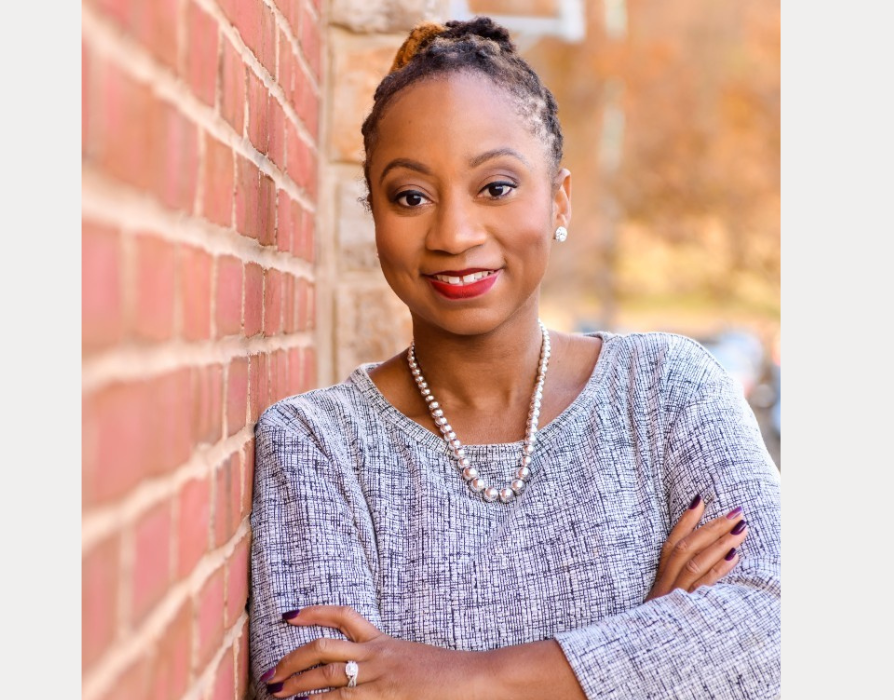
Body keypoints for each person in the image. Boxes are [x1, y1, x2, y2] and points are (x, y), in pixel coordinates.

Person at [248, 17, 780, 699]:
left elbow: (775, 625)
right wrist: (652, 645)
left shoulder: (667, 391)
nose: (454, 233)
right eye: (410, 196)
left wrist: (465, 678)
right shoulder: (319, 445)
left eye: (495, 187)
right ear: (373, 212)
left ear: (558, 199)